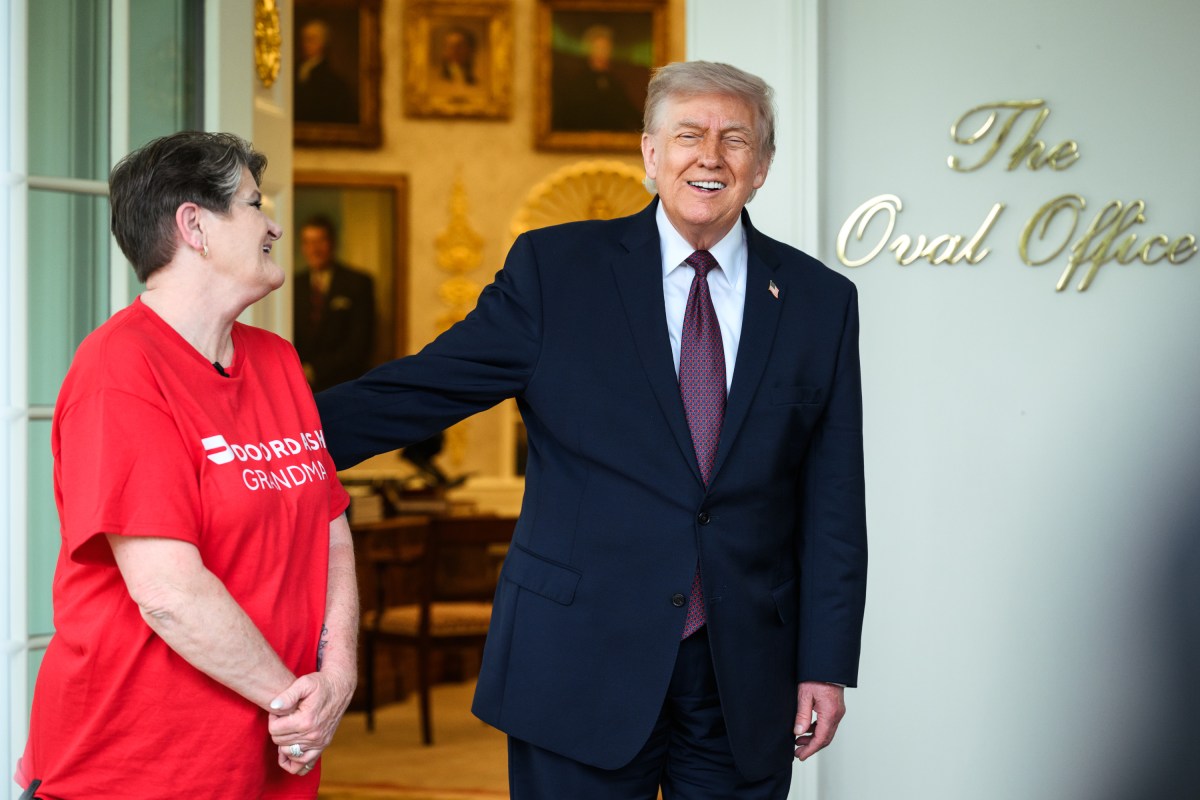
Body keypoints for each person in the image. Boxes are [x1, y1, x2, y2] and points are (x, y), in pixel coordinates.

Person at [318, 61, 867, 798]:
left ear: (762, 166)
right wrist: (265, 435)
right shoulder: (557, 271)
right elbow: (426, 387)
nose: (710, 155)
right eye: (688, 135)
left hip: (743, 675)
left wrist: (824, 663)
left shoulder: (818, 301)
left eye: (735, 139)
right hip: (576, 659)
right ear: (649, 153)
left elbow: (834, 499)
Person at [15, 132, 358, 799]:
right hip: (136, 765)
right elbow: (169, 594)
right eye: (256, 206)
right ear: (193, 225)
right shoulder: (119, 369)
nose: (275, 225)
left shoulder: (278, 361)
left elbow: (330, 535)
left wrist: (337, 677)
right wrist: (294, 705)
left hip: (266, 759)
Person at [293, 216, 376, 392]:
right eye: (308, 242)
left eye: (319, 241)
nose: (314, 249)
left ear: (332, 243)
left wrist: (314, 371)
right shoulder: (293, 285)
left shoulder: (358, 283)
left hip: (344, 386)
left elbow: (359, 344)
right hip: (298, 387)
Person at [552, 23, 646, 132]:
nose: (603, 52)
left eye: (606, 48)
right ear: (589, 50)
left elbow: (627, 110)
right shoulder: (579, 82)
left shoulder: (614, 83)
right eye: (599, 48)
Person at [295, 18, 358, 125]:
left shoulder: (334, 82)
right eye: (304, 39)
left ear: (322, 43)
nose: (305, 44)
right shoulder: (293, 70)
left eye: (311, 39)